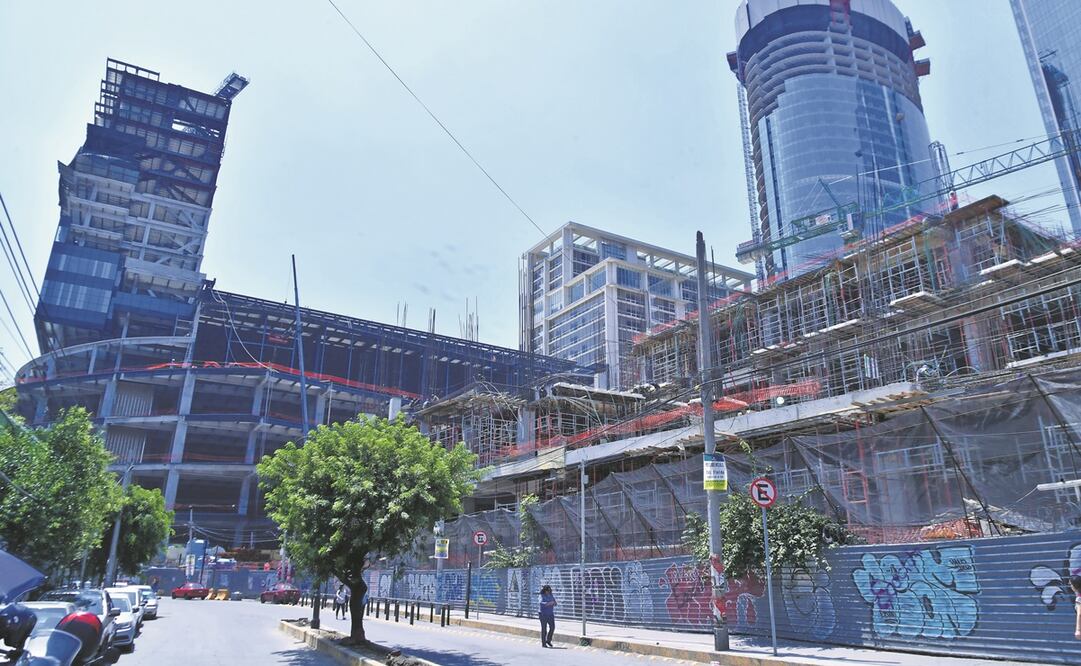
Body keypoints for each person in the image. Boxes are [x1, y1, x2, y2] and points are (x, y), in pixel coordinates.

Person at [1072, 576, 1081, 640]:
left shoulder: (1079, 598)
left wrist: (1078, 630)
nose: (1070, 586)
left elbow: (1079, 614)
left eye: (1071, 584)